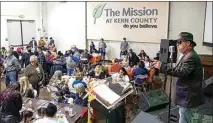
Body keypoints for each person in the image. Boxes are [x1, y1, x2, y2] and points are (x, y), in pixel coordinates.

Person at [152, 32, 204, 123]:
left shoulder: (190, 56)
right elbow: (176, 69)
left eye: (179, 42)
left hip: (188, 96)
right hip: (186, 96)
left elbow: (181, 72)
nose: (177, 45)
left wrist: (162, 67)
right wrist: (161, 65)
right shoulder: (186, 55)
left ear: (187, 43)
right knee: (183, 116)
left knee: (184, 119)